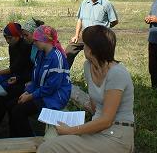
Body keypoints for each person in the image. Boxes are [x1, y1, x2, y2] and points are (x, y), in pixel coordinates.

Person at [37, 25, 134, 153]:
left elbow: (106, 120)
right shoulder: (88, 66)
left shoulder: (117, 73)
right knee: (50, 138)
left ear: (92, 49)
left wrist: (70, 130)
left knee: (47, 148)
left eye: (85, 44)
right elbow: (95, 109)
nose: (83, 47)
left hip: (116, 134)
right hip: (97, 129)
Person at [9, 25, 71, 137]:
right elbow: (36, 79)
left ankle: (29, 140)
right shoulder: (41, 54)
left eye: (36, 40)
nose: (34, 42)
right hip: (42, 94)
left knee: (18, 111)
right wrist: (28, 91)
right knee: (12, 104)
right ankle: (15, 138)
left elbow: (51, 87)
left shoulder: (57, 58)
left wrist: (31, 96)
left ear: (44, 40)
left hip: (54, 98)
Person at [65, 0, 118, 68]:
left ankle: (98, 77)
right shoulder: (84, 3)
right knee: (69, 51)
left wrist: (104, 29)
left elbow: (114, 21)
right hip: (84, 33)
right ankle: (63, 74)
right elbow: (80, 20)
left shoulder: (106, 4)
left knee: (93, 57)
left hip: (99, 36)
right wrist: (76, 35)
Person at [0, 22, 33, 89]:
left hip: (23, 76)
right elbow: (12, 66)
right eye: (5, 38)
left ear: (17, 36)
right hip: (13, 73)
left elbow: (14, 68)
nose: (7, 41)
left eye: (10, 38)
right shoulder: (12, 45)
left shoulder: (25, 46)